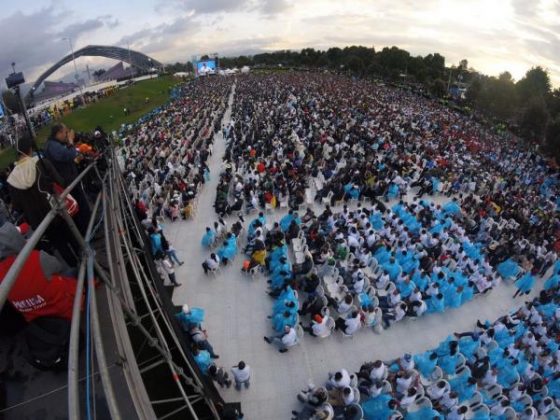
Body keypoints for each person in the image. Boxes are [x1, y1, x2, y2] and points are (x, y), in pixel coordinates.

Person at [7, 135, 79, 266]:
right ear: (30, 149)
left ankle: (77, 269)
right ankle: (90, 268)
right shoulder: (41, 163)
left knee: (61, 246)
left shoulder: (12, 179)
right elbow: (60, 181)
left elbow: (17, 206)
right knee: (73, 238)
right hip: (57, 210)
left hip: (39, 220)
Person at [0, 222, 78, 322]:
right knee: (73, 271)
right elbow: (58, 267)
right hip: (64, 310)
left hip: (39, 321)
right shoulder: (35, 257)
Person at [43, 124, 91, 234]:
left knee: (82, 207)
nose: (66, 135)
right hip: (68, 183)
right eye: (65, 132)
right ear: (58, 133)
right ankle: (88, 231)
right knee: (81, 208)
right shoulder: (53, 146)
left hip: (70, 181)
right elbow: (68, 155)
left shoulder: (54, 145)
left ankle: (88, 228)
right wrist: (70, 141)